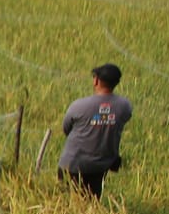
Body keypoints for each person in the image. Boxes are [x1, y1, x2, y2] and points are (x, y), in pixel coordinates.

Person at [56, 63, 133, 198]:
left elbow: (66, 128)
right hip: (101, 166)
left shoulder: (79, 105)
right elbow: (123, 119)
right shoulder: (124, 106)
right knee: (92, 203)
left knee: (66, 203)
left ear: (96, 80)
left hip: (72, 164)